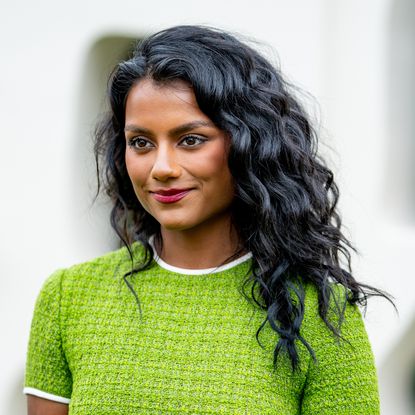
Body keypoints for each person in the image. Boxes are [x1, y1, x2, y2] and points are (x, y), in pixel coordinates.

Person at [24, 25, 391, 414]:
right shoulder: (69, 297)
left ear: (249, 143)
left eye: (190, 140)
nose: (162, 167)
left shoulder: (320, 315)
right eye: (141, 143)